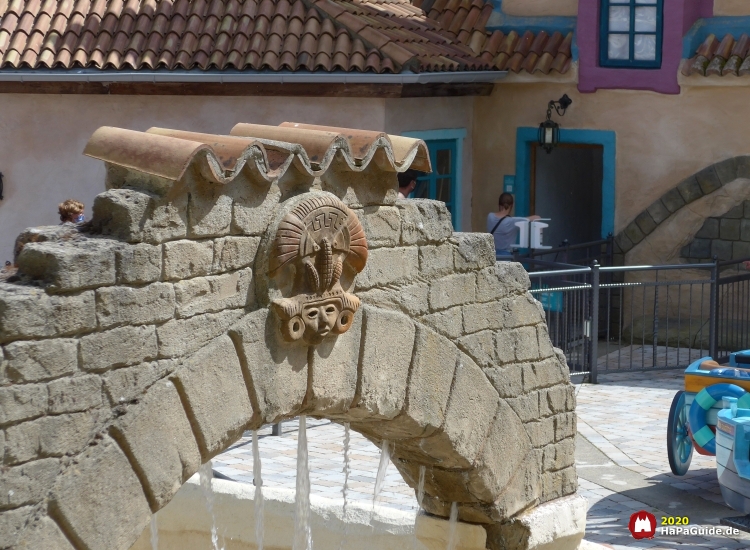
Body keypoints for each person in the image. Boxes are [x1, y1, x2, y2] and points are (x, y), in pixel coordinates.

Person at [487, 193, 540, 258]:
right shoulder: (512, 221)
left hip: (492, 255)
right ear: (512, 206)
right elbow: (537, 218)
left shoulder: (490, 216)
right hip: (506, 256)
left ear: (499, 204)